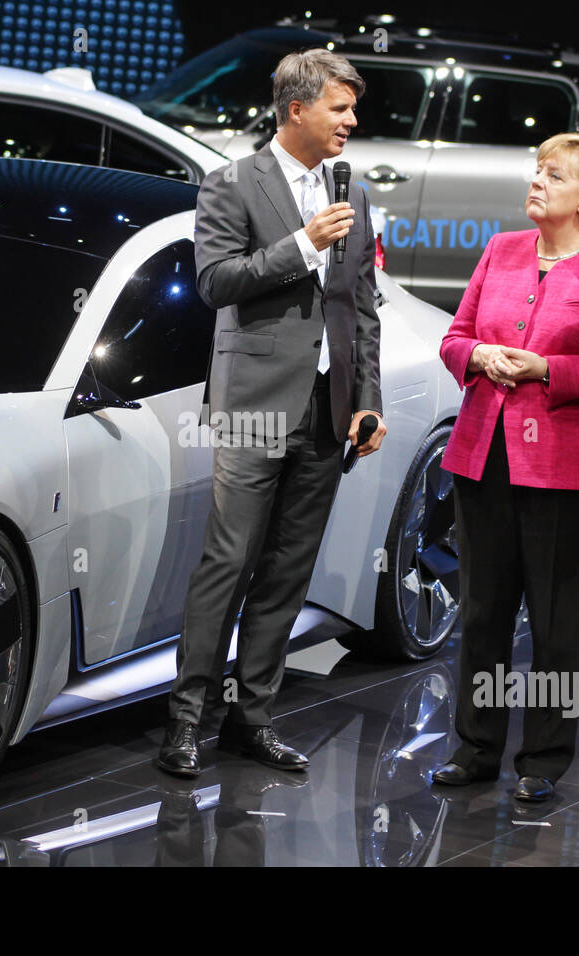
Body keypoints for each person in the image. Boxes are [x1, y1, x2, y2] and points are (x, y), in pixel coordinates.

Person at [156, 49, 386, 777]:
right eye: (340, 108)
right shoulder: (232, 182)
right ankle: (185, 724)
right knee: (228, 564)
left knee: (289, 571)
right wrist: (299, 246)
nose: (352, 121)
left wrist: (368, 398)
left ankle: (252, 719)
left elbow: (363, 303)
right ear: (297, 110)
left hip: (328, 406)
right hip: (254, 405)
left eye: (353, 109)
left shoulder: (354, 190)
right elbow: (216, 282)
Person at [431, 133, 579, 803]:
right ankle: (474, 748)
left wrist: (549, 368)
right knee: (484, 612)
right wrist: (477, 359)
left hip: (563, 470)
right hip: (482, 456)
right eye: (536, 171)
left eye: (553, 176)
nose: (537, 182)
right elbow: (454, 335)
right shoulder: (501, 250)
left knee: (554, 621)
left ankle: (544, 757)